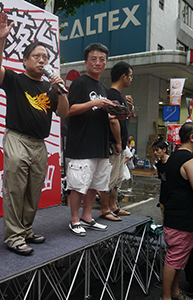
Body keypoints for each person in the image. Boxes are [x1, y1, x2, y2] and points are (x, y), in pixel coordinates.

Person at [0, 11, 69, 255]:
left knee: (34, 190)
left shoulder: (51, 86)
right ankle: (14, 237)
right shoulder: (15, 79)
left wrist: (61, 90)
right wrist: (1, 39)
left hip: (39, 144)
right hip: (17, 139)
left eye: (45, 57)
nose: (42, 60)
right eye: (37, 56)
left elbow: (63, 113)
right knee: (15, 189)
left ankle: (25, 229)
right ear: (25, 60)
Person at [64, 43, 117, 236]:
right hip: (81, 143)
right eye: (93, 59)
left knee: (95, 183)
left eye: (102, 59)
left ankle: (87, 217)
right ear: (86, 62)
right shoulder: (79, 83)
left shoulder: (103, 87)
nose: (98, 63)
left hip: (100, 144)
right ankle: (74, 219)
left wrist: (117, 111)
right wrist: (94, 102)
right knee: (79, 184)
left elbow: (106, 116)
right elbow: (68, 110)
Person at [160, 122, 193, 300]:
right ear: (192, 138)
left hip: (174, 216)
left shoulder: (174, 157)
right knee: (174, 259)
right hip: (182, 219)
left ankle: (175, 292)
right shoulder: (189, 160)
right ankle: (167, 297)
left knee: (177, 259)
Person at [99, 62, 133, 222]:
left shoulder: (119, 95)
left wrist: (130, 109)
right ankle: (105, 209)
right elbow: (113, 121)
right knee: (110, 178)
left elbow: (124, 120)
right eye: (130, 76)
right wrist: (119, 142)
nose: (131, 79)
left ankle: (113, 207)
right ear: (123, 76)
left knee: (117, 178)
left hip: (119, 144)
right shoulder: (112, 94)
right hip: (113, 144)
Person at [152, 140, 170, 219]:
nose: (155, 153)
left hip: (172, 195)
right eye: (154, 150)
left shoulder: (172, 162)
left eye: (157, 150)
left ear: (164, 150)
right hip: (163, 194)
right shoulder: (159, 164)